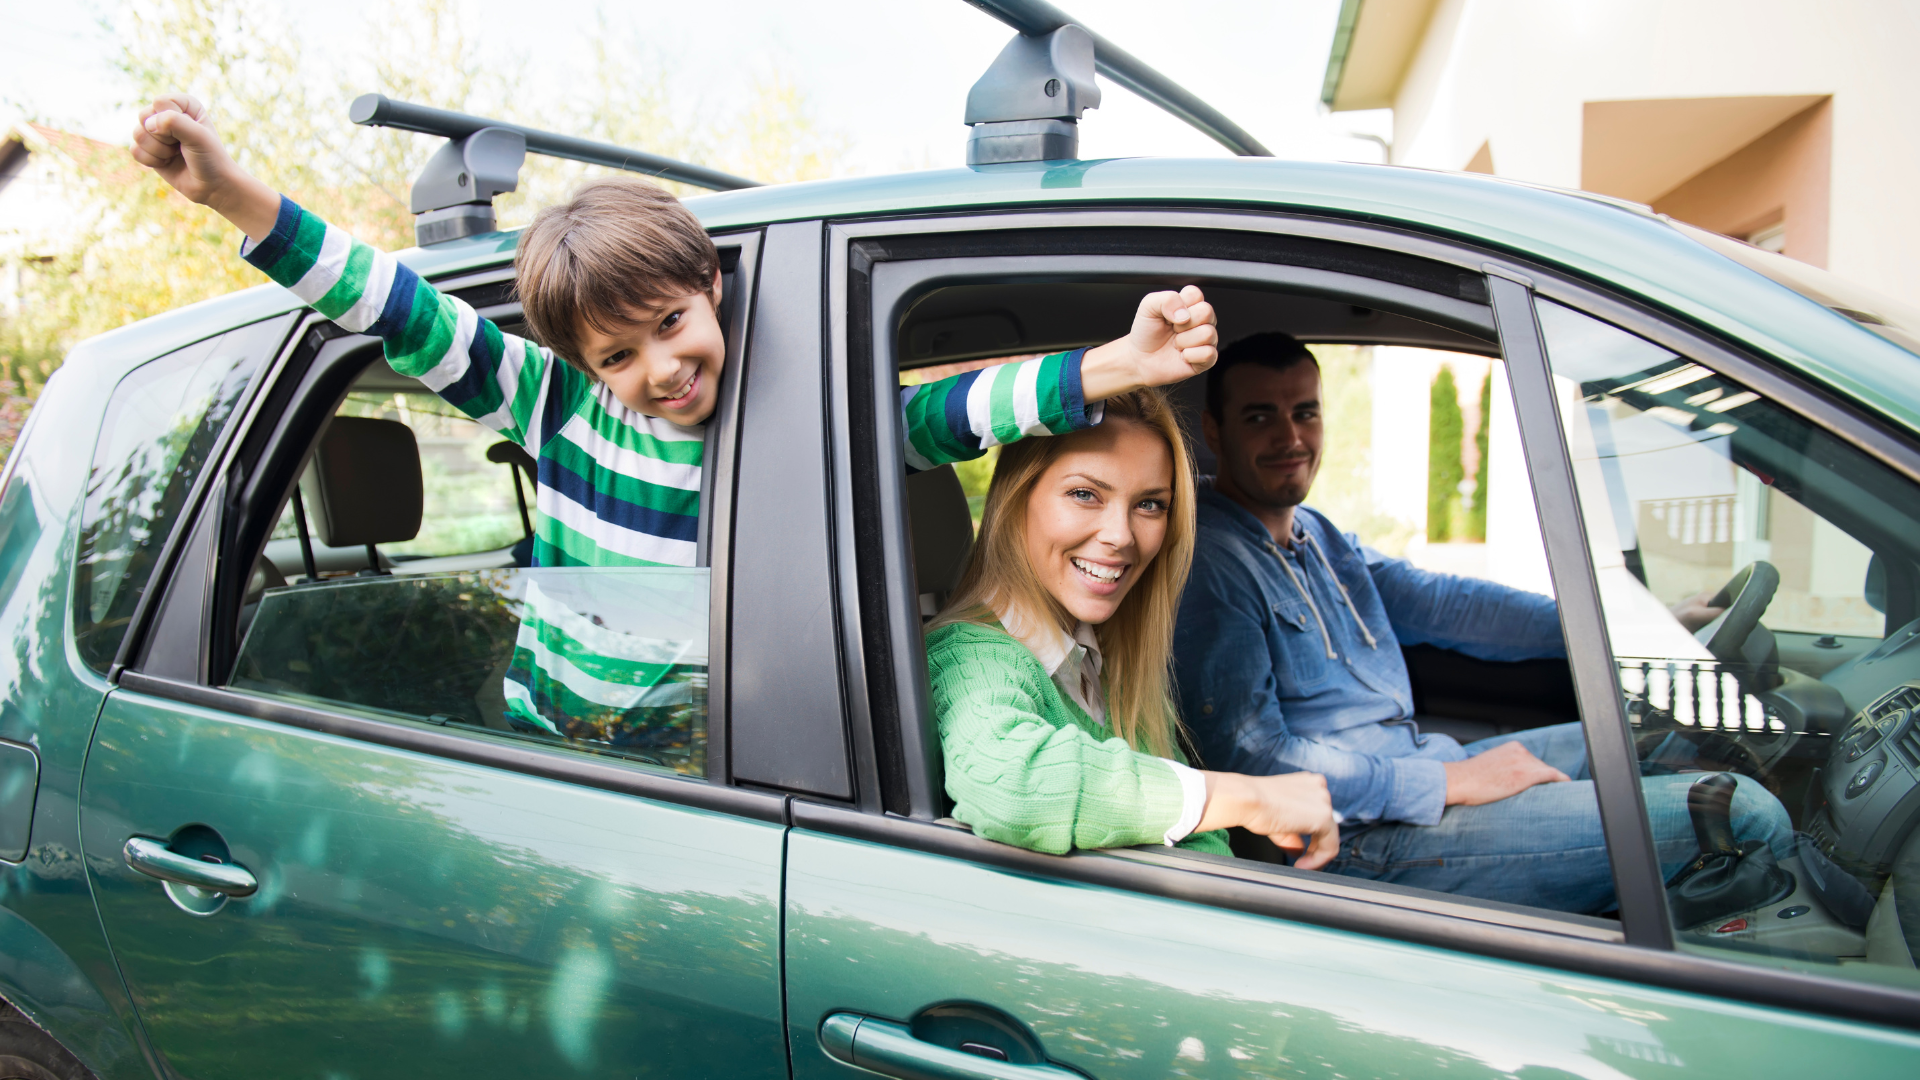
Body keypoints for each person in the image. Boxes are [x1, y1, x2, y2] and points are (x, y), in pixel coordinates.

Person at [130, 93, 1220, 740]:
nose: (661, 366)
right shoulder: (550, 405)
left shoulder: (796, 427)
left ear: (710, 286)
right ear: (575, 360)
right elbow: (387, 300)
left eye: (670, 323)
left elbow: (952, 412)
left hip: (699, 745)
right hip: (562, 741)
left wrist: (1114, 365)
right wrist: (234, 195)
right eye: (618, 353)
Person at [1173, 332, 1790, 913]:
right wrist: (1447, 781)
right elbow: (1254, 758)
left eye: (1305, 412)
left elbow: (1452, 605)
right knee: (1742, 815)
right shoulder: (1214, 566)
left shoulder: (1321, 538)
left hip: (1415, 772)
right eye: (1260, 417)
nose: (1291, 437)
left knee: (1663, 726)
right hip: (1362, 842)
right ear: (1215, 431)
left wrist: (1625, 627)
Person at [926, 387, 1340, 863]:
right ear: (1018, 497)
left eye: (1150, 505)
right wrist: (1245, 797)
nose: (1121, 536)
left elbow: (1203, 845)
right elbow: (1011, 785)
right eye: (1085, 494)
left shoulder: (1107, 659)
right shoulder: (970, 652)